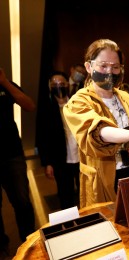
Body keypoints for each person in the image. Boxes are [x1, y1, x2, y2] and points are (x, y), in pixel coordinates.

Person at [63, 39, 129, 208]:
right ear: (89, 67)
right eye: (103, 66)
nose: (109, 72)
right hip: (102, 177)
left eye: (115, 67)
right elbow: (97, 131)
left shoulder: (127, 98)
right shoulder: (78, 101)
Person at [0, 68, 36, 254]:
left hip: (12, 154)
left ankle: (29, 241)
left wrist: (5, 83)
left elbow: (29, 105)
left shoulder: (6, 84)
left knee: (22, 201)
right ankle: (2, 246)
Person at [36, 71, 80, 210]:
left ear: (67, 84)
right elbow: (42, 138)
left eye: (61, 84)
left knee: (85, 191)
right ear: (49, 86)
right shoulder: (46, 108)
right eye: (54, 84)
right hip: (60, 158)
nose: (58, 86)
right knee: (65, 193)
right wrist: (47, 163)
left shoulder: (76, 103)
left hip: (81, 155)